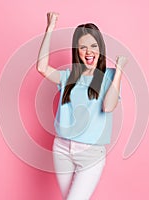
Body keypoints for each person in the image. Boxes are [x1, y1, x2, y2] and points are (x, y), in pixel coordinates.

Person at [36, 12, 127, 200]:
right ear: (76, 51)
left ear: (100, 49)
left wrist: (119, 72)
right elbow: (42, 67)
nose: (88, 52)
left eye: (93, 46)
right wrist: (50, 29)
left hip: (91, 155)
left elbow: (109, 106)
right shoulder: (68, 77)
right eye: (82, 47)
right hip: (61, 149)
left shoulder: (108, 76)